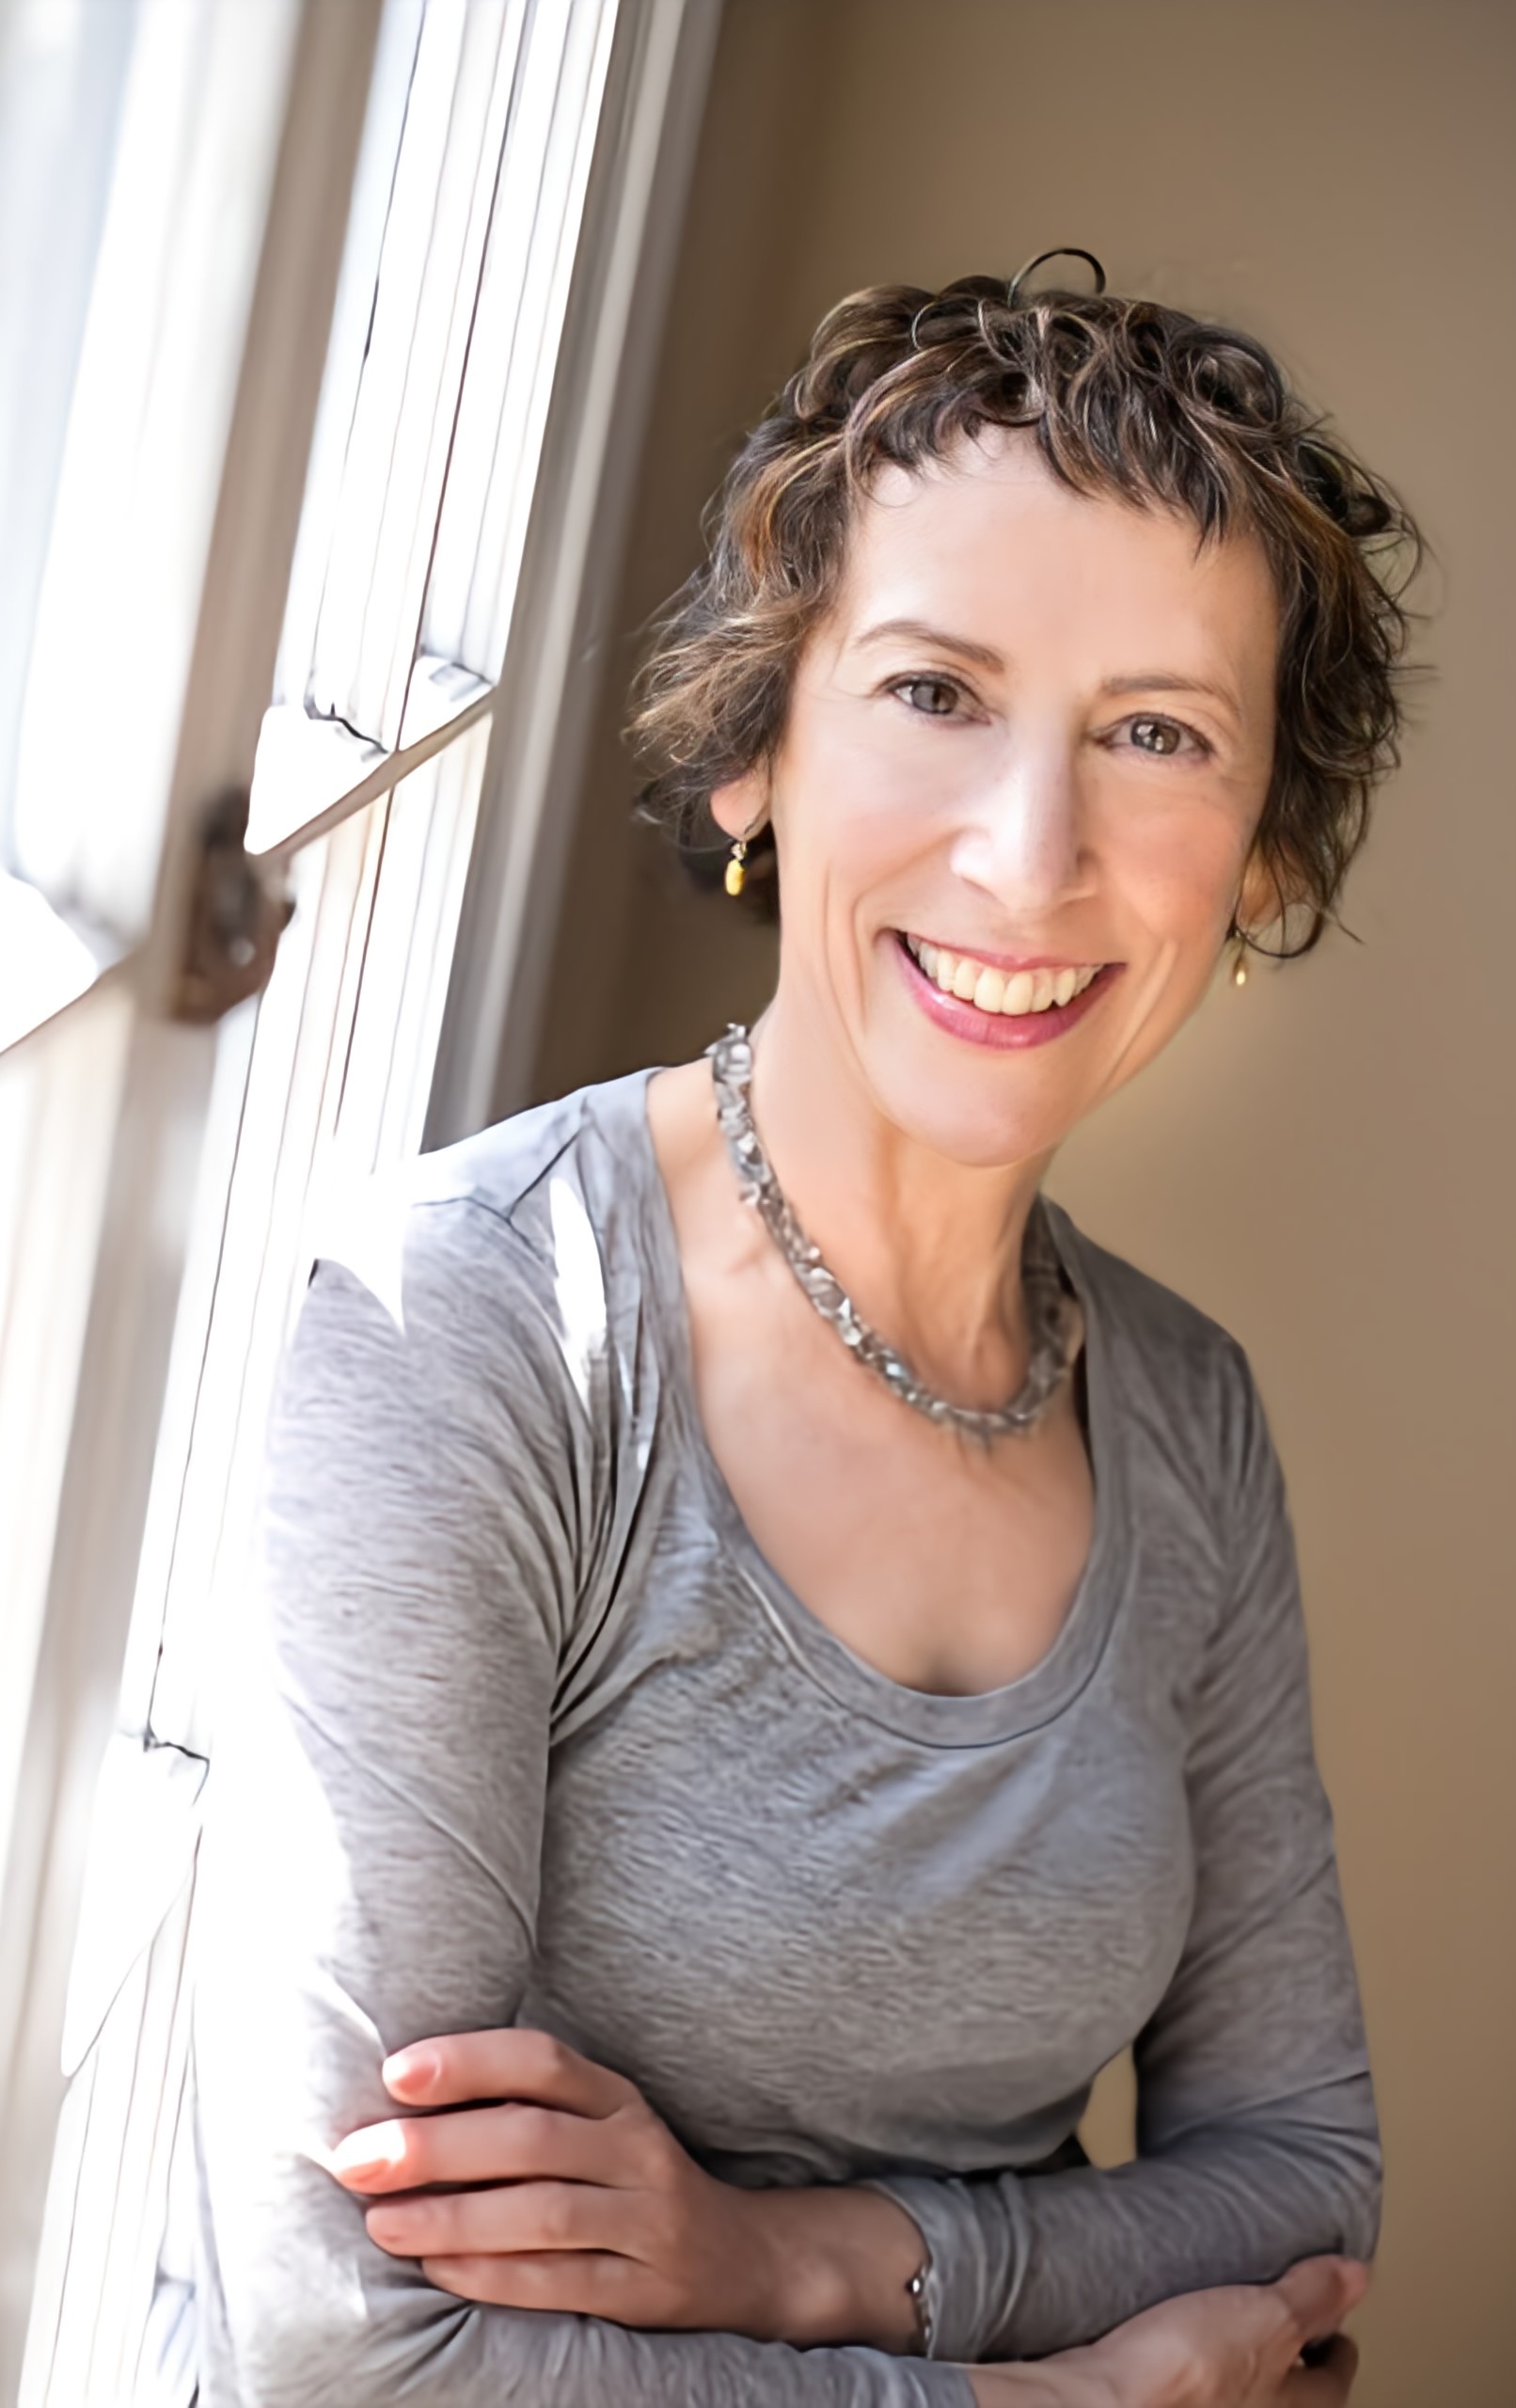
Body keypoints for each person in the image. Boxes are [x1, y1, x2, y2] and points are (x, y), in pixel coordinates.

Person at [190, 261, 1415, 2406]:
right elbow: (352, 2351)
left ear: (1251, 862)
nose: (1028, 854)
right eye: (934, 691)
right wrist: (1057, 2387)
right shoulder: (472, 1325)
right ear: (755, 746)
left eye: (1153, 732)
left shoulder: (1184, 1416)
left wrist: (812, 2263)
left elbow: (1300, 2184)